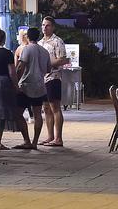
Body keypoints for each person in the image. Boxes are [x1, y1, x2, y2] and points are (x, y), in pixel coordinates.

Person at [15, 27, 51, 149]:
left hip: (26, 86)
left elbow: (20, 67)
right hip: (40, 86)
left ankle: (26, 140)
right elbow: (48, 69)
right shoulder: (45, 51)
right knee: (37, 114)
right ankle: (35, 142)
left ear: (28, 37)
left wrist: (16, 82)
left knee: (18, 113)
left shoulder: (27, 49)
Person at [39, 16, 68, 147]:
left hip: (53, 77)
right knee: (46, 108)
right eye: (43, 25)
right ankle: (50, 136)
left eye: (48, 25)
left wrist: (47, 64)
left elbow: (62, 59)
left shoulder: (57, 42)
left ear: (53, 27)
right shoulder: (40, 43)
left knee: (55, 107)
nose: (45, 28)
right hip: (42, 79)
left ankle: (58, 137)